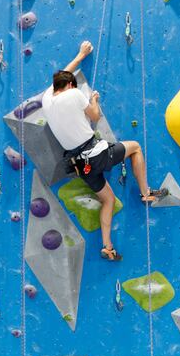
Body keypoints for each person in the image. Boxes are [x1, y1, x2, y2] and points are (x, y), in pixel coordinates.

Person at [42, 40, 163, 262]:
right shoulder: (74, 94)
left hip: (80, 165)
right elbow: (95, 116)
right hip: (95, 153)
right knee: (135, 148)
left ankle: (107, 247)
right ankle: (146, 193)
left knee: (107, 199)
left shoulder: (46, 99)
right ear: (70, 86)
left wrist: (80, 56)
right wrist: (93, 100)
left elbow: (62, 75)